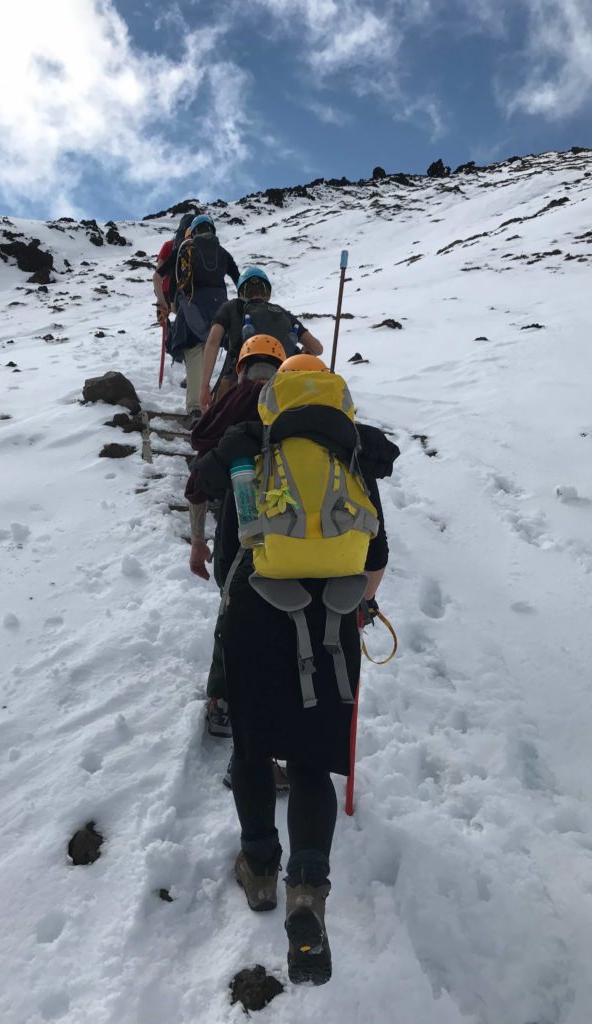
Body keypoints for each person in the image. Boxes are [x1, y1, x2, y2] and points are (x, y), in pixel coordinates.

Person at [191, 354, 398, 985]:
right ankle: (306, 887)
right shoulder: (354, 450)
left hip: (258, 605)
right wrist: (359, 609)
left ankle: (258, 867)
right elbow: (378, 551)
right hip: (333, 615)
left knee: (253, 750)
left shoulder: (251, 446)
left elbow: (220, 521)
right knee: (310, 761)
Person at [185, 334, 288, 740]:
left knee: (234, 609)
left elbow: (199, 471)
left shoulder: (236, 399)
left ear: (241, 367)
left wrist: (197, 541)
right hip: (297, 527)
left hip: (239, 521)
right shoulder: (301, 405)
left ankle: (223, 701)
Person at [198, 267, 323, 413]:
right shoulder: (281, 313)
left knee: (219, 422)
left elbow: (213, 341)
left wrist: (204, 386)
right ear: (267, 293)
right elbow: (317, 348)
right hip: (279, 386)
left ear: (241, 290)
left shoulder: (230, 307)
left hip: (237, 383)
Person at [156, 214, 239, 423]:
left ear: (192, 232)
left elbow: (158, 276)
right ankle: (216, 402)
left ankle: (195, 410)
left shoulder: (185, 249)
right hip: (219, 310)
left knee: (194, 355)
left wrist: (163, 302)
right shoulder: (222, 252)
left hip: (189, 309)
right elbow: (239, 280)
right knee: (211, 351)